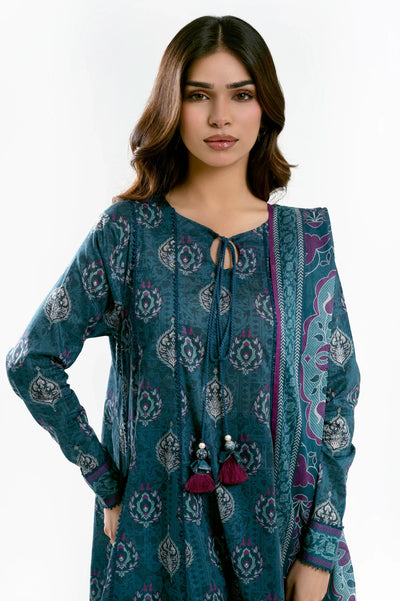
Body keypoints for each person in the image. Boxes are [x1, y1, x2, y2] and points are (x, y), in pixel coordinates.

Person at [6, 15, 360, 601]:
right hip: (158, 544)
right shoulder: (128, 234)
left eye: (240, 95)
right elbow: (31, 360)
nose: (221, 116)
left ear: (265, 109)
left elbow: (338, 395)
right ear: (174, 106)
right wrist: (106, 482)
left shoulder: (305, 241)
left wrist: (320, 547)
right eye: (199, 95)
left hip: (285, 549)